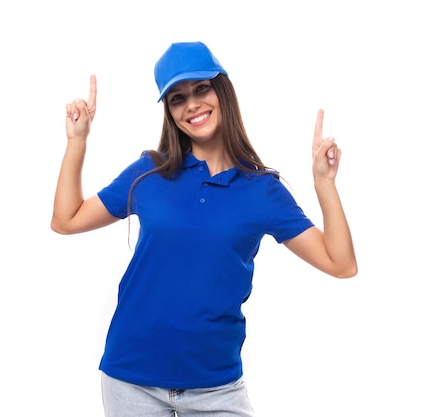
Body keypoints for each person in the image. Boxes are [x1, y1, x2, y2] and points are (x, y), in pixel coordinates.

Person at [51, 41, 357, 417]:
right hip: (130, 380)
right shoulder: (149, 172)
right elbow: (66, 220)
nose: (192, 104)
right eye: (177, 98)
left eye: (201, 88)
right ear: (170, 112)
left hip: (217, 390)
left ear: (222, 90)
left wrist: (325, 184)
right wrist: (77, 141)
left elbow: (340, 264)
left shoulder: (263, 191)